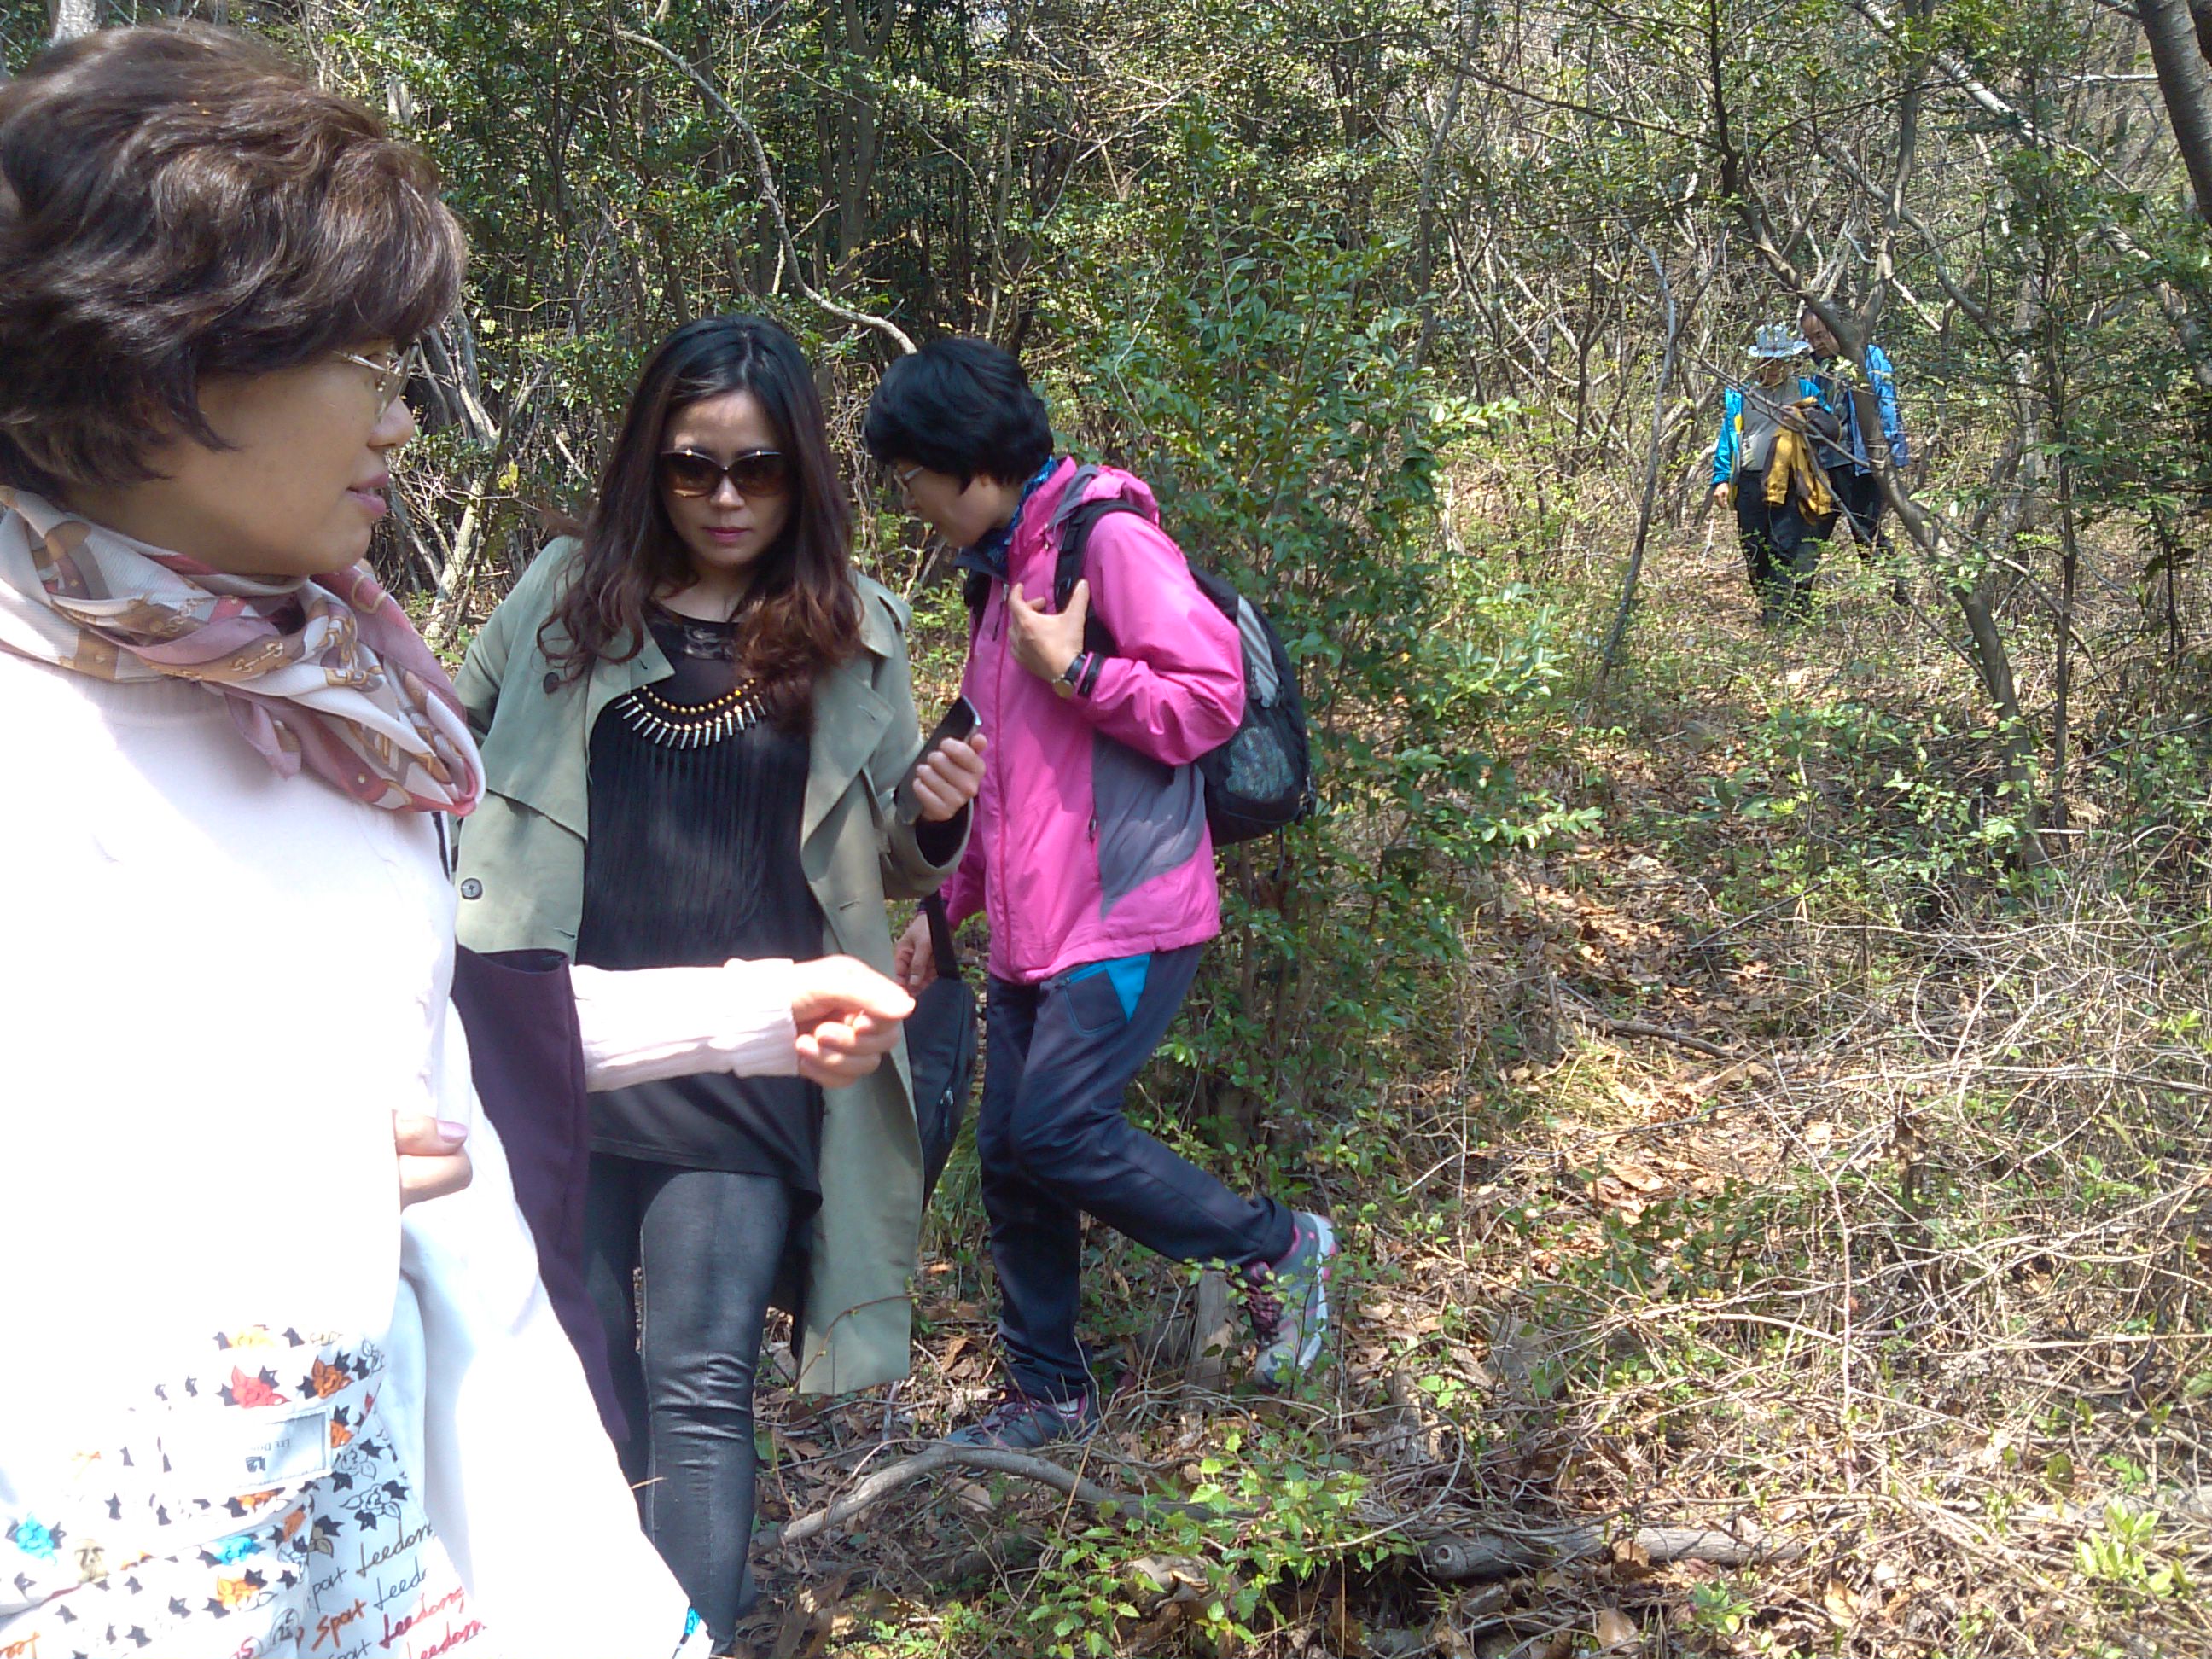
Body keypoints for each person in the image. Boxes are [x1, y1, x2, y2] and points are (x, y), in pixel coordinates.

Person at [0, 26, 913, 1659]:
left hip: (461, 1511)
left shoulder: (321, 692)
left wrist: (767, 1001)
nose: (400, 425)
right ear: (158, 353)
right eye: (362, 357)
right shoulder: (100, 714)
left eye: (757, 468)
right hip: (167, 1571)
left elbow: (442, 1049)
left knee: (693, 1372)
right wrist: (249, 1180)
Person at [452, 313, 984, 1640]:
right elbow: (436, 752)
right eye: (696, 468)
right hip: (554, 1042)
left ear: (803, 474)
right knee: (573, 1362)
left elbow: (882, 868)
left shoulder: (854, 630)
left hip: (749, 1054)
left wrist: (933, 822)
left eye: (759, 470)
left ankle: (694, 1630)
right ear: (652, 465)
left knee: (698, 1378)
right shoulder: (564, 598)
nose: (728, 498)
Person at [864, 337, 1339, 1452]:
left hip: (1128, 914)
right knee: (1013, 1156)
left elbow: (1211, 696)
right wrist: (944, 907)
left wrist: (1076, 671)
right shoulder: (1001, 577)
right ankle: (1048, 1395)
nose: (911, 503)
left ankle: (1276, 1247)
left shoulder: (1107, 541)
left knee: (1062, 1130)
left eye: (911, 479)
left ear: (962, 459)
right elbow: (993, 775)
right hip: (1039, 926)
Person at [1710, 323, 1840, 623]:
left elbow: (1829, 426)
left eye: (1780, 361)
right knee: (1754, 546)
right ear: (1758, 362)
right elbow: (1728, 438)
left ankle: (1776, 614)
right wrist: (1720, 479)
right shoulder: (1741, 396)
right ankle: (1770, 599)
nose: (1773, 368)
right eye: (1768, 362)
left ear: (1790, 362)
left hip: (1792, 481)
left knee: (1784, 545)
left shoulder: (1806, 391)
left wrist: (1807, 418)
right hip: (1751, 481)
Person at [1798, 303, 1912, 556]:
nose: (1816, 343)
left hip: (1861, 464)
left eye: (1820, 335)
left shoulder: (1868, 357)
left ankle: (1893, 590)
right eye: (1810, 338)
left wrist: (1889, 453)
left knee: (1866, 534)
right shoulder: (1820, 371)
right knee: (1810, 539)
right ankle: (1795, 594)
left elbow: (1887, 404)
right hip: (1828, 467)